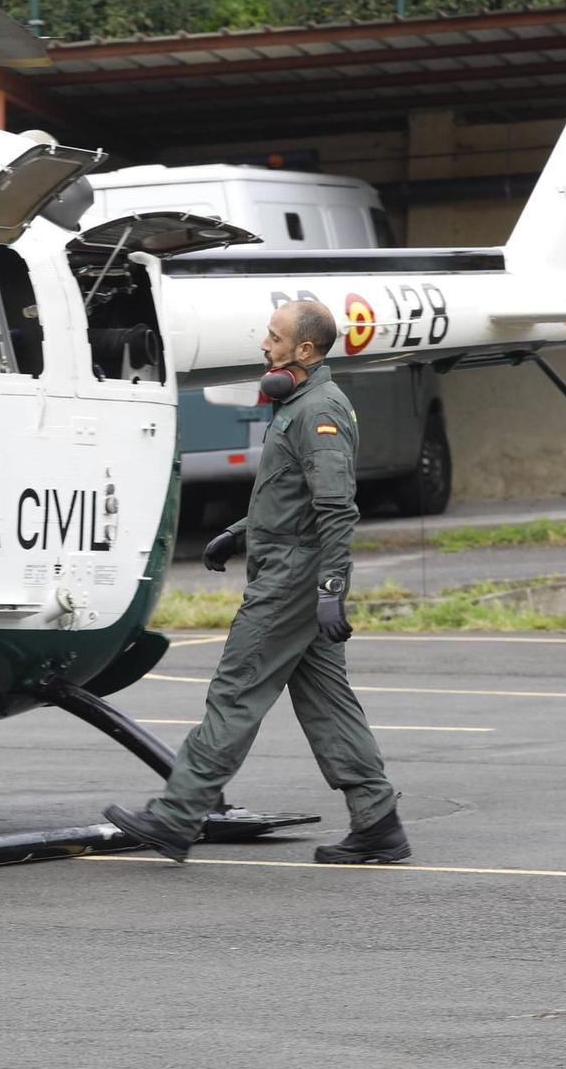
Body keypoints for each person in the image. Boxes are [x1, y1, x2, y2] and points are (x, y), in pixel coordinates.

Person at [103, 299, 407, 864]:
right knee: (326, 701)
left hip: (292, 581)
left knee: (237, 689)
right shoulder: (298, 404)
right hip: (286, 567)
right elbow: (290, 495)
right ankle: (378, 820)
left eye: (273, 338)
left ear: (305, 350)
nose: (264, 346)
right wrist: (240, 531)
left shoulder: (321, 412)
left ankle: (174, 817)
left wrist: (331, 589)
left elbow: (336, 508)